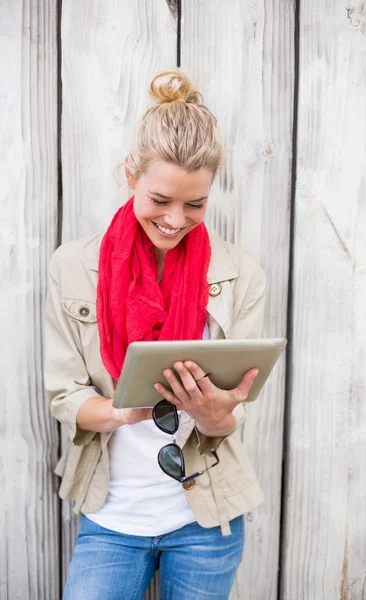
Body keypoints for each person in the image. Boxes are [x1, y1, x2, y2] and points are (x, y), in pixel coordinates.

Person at [44, 69, 266, 600]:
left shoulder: (240, 273)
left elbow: (237, 411)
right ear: (130, 174)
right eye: (160, 199)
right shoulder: (73, 266)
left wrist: (217, 413)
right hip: (112, 516)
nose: (175, 219)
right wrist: (126, 411)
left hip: (207, 518)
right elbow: (64, 395)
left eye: (195, 204)